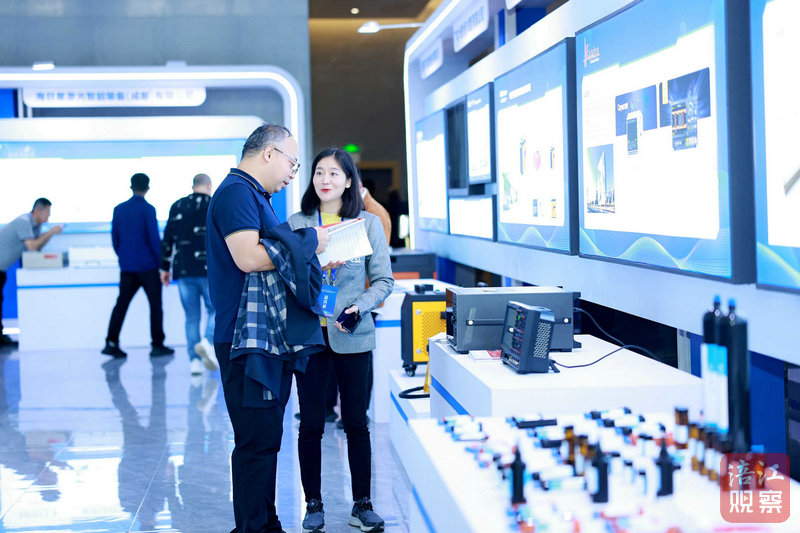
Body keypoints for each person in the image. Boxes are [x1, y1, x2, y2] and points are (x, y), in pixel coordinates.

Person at [206, 124, 331, 533]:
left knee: (266, 439)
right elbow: (247, 257)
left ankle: (265, 523)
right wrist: (308, 242)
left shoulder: (255, 195)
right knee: (256, 441)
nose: (293, 173)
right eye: (293, 163)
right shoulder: (237, 194)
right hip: (244, 340)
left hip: (262, 337)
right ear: (268, 153)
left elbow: (273, 256)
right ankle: (253, 527)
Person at [288, 148, 394, 533]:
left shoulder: (367, 223)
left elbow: (383, 280)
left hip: (353, 335)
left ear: (349, 181)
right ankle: (313, 504)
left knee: (356, 424)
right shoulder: (298, 223)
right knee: (310, 425)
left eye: (334, 173)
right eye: (319, 172)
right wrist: (310, 273)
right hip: (310, 336)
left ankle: (362, 505)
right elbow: (285, 276)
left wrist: (358, 308)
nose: (325, 179)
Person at [102, 173, 174, 359]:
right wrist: (162, 263)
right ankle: (157, 345)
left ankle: (111, 342)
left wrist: (124, 257)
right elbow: (153, 239)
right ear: (148, 188)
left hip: (127, 268)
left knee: (121, 305)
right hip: (148, 267)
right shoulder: (148, 210)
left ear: (131, 186)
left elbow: (115, 239)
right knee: (155, 306)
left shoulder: (119, 209)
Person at [159, 173, 218, 375]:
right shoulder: (214, 204)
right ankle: (207, 342)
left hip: (184, 270)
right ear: (208, 186)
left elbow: (167, 239)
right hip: (210, 270)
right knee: (215, 310)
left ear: (193, 186)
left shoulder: (177, 206)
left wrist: (164, 268)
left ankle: (195, 362)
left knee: (191, 317)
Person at [0, 198, 63, 346]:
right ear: (38, 210)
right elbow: (32, 246)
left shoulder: (35, 226)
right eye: (48, 213)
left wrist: (49, 234)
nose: (49, 217)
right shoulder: (24, 222)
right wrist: (51, 231)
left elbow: (38, 246)